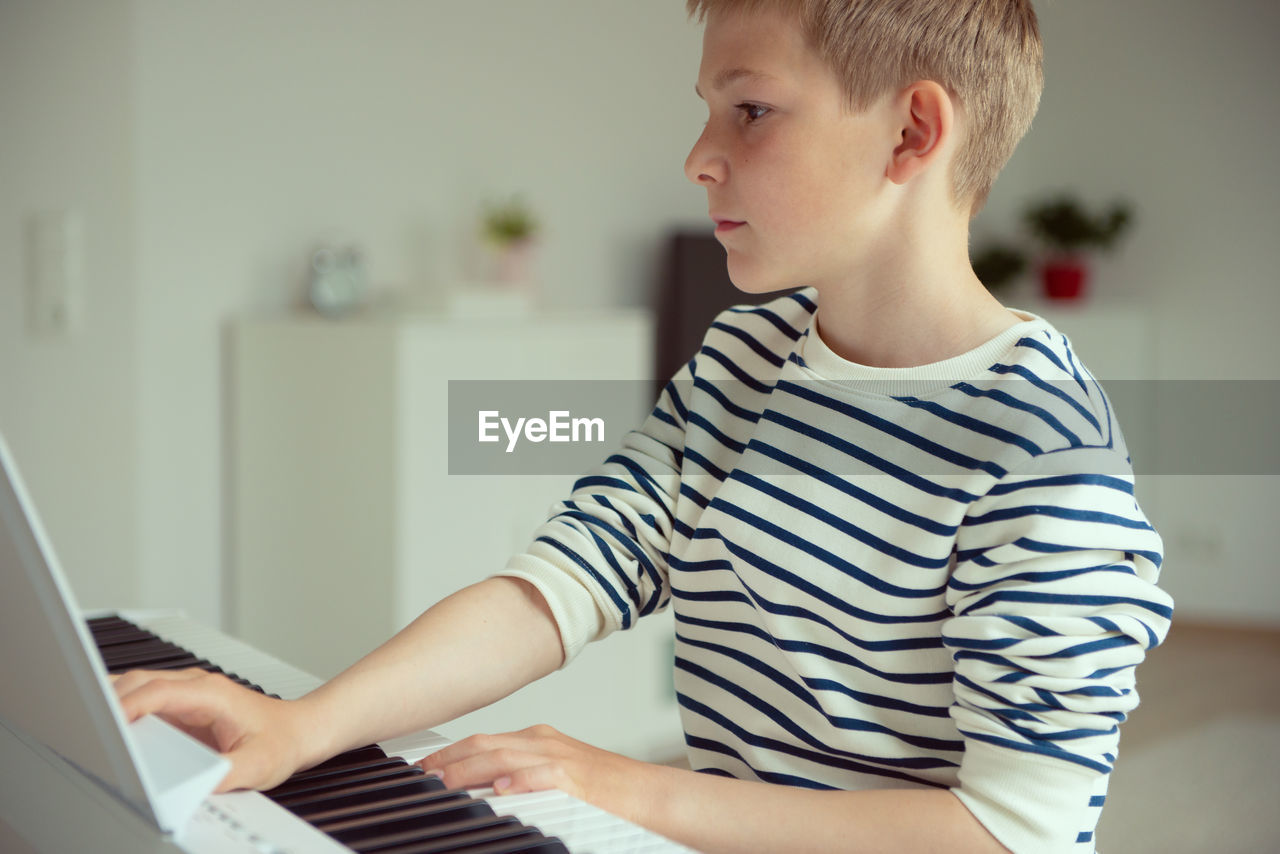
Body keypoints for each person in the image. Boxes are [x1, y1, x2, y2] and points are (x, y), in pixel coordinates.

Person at [114, 2, 1173, 852]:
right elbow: (561, 583)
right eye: (708, 109)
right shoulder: (743, 361)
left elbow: (1012, 827)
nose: (698, 156)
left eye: (749, 110)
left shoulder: (1040, 458)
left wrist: (642, 790)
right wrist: (307, 722)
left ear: (909, 133)